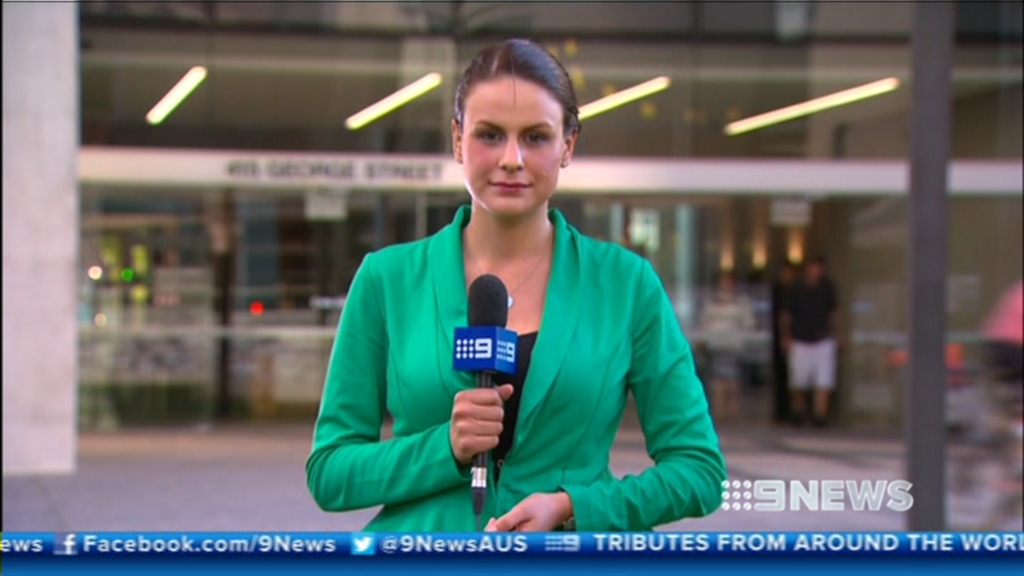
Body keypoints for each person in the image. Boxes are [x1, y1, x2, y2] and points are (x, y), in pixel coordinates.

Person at [305, 39, 726, 533]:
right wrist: (444, 447)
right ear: (457, 139)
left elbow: (700, 472)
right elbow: (330, 473)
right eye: (489, 135)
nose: (511, 158)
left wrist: (574, 507)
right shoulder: (387, 280)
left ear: (567, 145)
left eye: (535, 137)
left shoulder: (626, 285)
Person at [781, 256, 840, 427]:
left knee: (824, 380)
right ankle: (798, 411)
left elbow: (834, 313)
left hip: (823, 340)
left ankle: (820, 415)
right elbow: (787, 314)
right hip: (800, 340)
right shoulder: (796, 288)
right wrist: (786, 336)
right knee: (798, 380)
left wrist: (837, 334)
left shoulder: (827, 288)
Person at [699, 270, 756, 421]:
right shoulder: (711, 301)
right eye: (723, 282)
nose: (726, 285)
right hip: (716, 346)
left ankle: (733, 413)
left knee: (733, 382)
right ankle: (719, 413)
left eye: (729, 282)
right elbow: (705, 322)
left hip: (734, 346)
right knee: (718, 382)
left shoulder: (742, 302)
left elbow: (749, 323)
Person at [770, 262, 797, 424]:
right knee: (780, 376)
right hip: (777, 340)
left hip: (797, 339)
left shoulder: (796, 292)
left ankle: (792, 411)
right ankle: (780, 411)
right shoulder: (776, 291)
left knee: (794, 378)